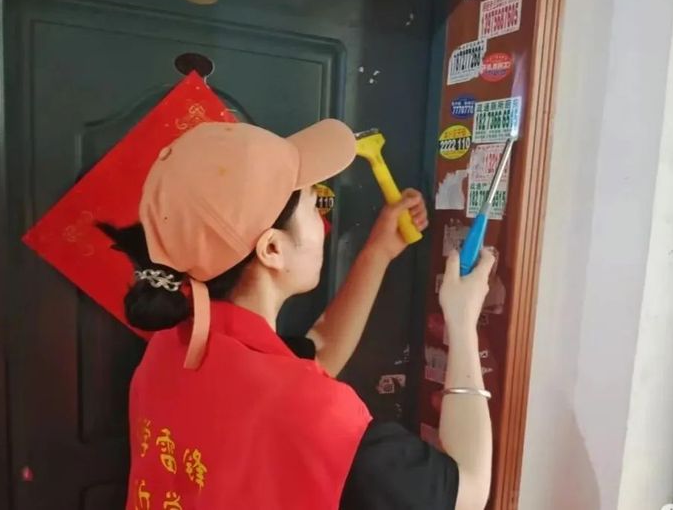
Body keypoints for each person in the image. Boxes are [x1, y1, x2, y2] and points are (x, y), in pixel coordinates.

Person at [100, 119, 494, 510]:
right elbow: (470, 494)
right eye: (311, 204)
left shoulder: (170, 351)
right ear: (272, 249)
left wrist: (378, 252)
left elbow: (315, 359)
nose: (322, 225)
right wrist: (461, 322)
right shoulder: (310, 413)